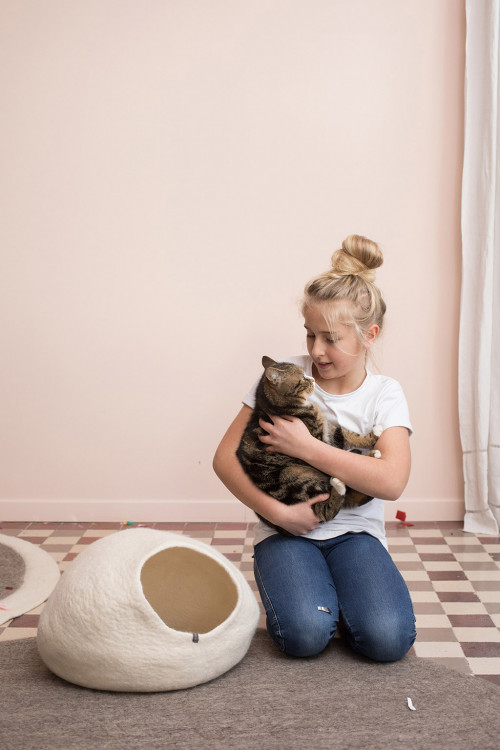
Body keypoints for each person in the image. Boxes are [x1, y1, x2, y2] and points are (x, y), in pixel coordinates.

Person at [213, 234, 416, 661]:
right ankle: (315, 598)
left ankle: (340, 599)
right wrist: (279, 515)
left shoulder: (385, 393)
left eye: (330, 338)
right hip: (286, 533)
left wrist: (305, 447)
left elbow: (392, 481)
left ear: (369, 335)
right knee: (303, 637)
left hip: (354, 534)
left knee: (388, 640)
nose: (316, 351)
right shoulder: (282, 378)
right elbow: (224, 459)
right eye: (310, 336)